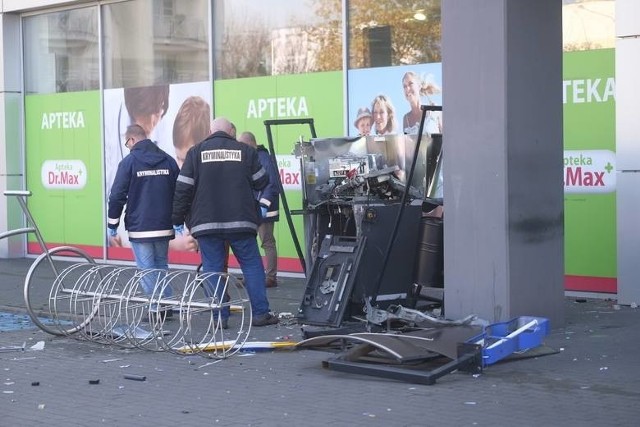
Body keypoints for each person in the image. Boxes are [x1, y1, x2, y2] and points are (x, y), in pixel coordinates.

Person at [172, 117, 278, 327]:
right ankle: (260, 314)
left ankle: (219, 316)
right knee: (251, 266)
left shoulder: (195, 153)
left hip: (206, 223)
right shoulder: (245, 151)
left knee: (212, 268)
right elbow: (262, 182)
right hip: (241, 221)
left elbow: (183, 189)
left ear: (210, 131)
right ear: (230, 131)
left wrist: (177, 219)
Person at [107, 124, 180, 316]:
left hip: (141, 227)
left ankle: (156, 309)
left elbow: (116, 196)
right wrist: (179, 219)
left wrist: (112, 223)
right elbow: (180, 192)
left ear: (132, 140)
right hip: (164, 225)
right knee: (161, 265)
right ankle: (166, 305)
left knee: (146, 269)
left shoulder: (129, 163)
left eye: (127, 143)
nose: (128, 147)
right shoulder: (168, 160)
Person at [237, 131, 281, 288]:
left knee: (267, 242)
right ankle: (254, 276)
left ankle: (271, 277)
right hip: (254, 208)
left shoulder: (263, 158)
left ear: (249, 143)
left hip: (264, 209)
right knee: (251, 243)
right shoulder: (254, 157)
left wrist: (263, 204)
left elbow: (272, 184)